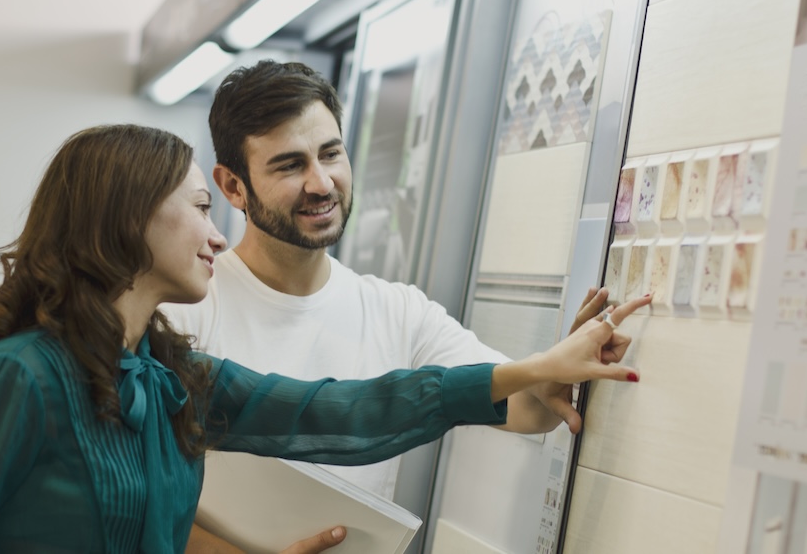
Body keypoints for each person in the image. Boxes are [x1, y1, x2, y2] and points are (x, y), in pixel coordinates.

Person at [0, 124, 643, 554]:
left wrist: (534, 369)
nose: (216, 237)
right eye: (200, 207)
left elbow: (340, 411)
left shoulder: (172, 375)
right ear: (129, 216)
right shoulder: (25, 377)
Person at [161, 61, 647, 552]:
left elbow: (525, 408)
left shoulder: (399, 312)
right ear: (232, 186)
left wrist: (553, 373)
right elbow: (141, 507)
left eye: (331, 154)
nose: (322, 183)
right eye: (290, 165)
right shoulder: (183, 310)